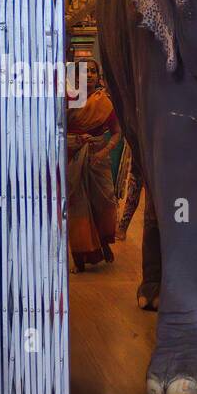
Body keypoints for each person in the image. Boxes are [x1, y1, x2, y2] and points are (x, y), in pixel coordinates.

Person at [67, 60, 121, 271]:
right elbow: (55, 129)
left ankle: (104, 242)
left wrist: (103, 151)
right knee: (78, 206)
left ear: (98, 76)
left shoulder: (104, 101)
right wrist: (75, 140)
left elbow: (116, 132)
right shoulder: (68, 99)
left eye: (92, 71)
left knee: (105, 201)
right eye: (83, 71)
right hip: (72, 157)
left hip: (98, 159)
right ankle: (79, 256)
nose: (88, 75)